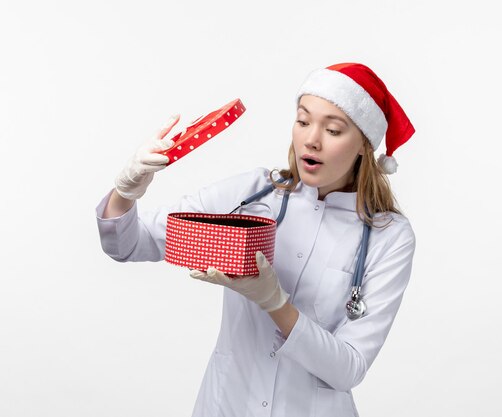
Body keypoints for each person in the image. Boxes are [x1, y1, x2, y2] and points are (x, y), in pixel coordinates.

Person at [96, 62, 416, 416]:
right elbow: (129, 244)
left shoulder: (389, 237)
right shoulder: (254, 193)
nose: (312, 139)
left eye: (334, 129)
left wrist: (275, 304)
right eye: (303, 120)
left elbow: (349, 368)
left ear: (363, 145)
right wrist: (126, 191)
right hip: (228, 404)